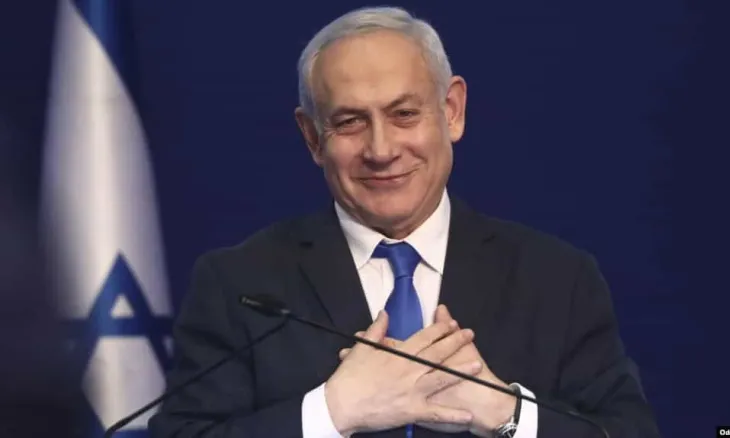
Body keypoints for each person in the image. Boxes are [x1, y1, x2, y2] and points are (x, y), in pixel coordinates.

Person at [149, 6, 659, 438]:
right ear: (312, 137)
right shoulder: (240, 285)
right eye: (350, 122)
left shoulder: (556, 278)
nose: (381, 149)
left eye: (404, 114)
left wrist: (506, 412)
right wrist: (329, 413)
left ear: (452, 111)